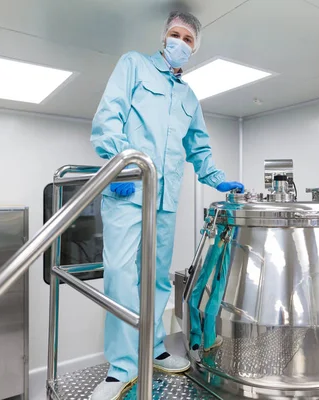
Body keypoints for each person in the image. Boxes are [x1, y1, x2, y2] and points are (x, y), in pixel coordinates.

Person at [89, 10, 244, 400]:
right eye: (175, 35)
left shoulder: (190, 97)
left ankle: (154, 348)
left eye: (188, 40)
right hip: (128, 191)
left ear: (194, 49)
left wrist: (216, 178)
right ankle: (122, 367)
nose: (180, 43)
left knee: (157, 278)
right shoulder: (134, 66)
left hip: (165, 199)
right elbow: (109, 118)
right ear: (163, 38)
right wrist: (120, 167)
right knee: (122, 275)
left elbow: (199, 148)